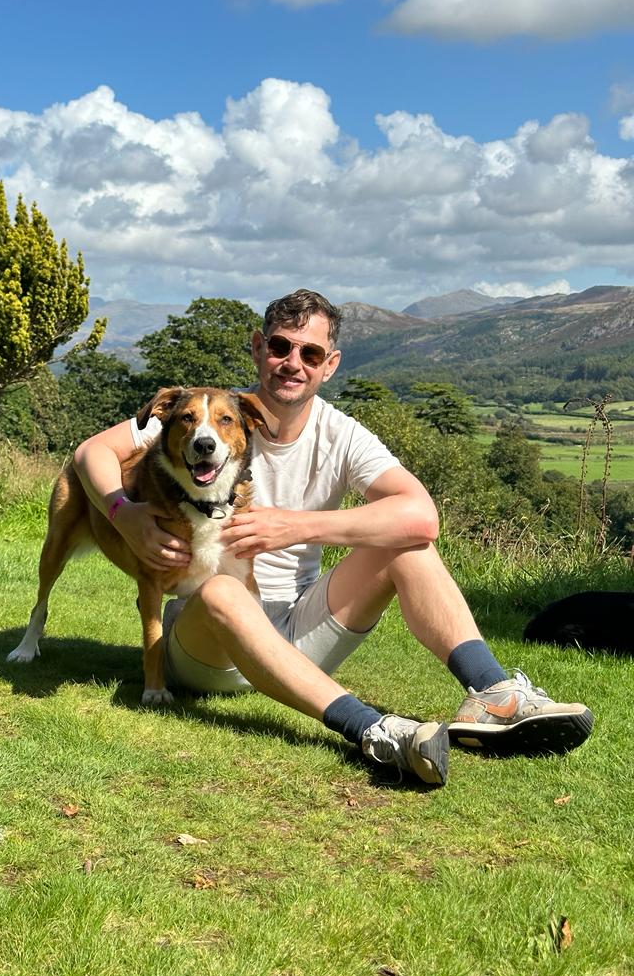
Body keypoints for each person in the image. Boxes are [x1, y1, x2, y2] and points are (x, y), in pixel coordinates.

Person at [73, 289, 593, 786]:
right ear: (258, 348)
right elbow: (90, 453)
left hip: (297, 631)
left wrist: (297, 526)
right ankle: (373, 729)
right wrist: (124, 513)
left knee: (406, 542)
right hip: (207, 647)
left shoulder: (340, 433)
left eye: (310, 352)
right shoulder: (207, 418)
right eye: (280, 346)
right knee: (222, 589)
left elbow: (422, 516)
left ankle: (493, 692)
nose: (292, 362)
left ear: (330, 364)